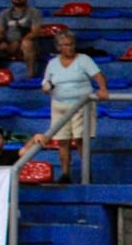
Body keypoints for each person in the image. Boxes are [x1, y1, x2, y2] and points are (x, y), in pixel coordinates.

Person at [40, 30, 108, 184]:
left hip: (80, 104)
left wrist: (102, 89)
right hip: (59, 104)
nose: (68, 48)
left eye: (71, 44)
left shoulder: (84, 59)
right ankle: (65, 174)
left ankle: (86, 174)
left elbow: (98, 75)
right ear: (58, 47)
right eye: (64, 45)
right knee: (62, 140)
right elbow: (46, 82)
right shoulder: (52, 63)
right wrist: (46, 87)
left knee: (79, 139)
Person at [0, 0, 43, 77]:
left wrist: (18, 43)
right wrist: (2, 41)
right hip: (8, 44)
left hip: (27, 43)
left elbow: (36, 32)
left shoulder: (34, 12)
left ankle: (30, 74)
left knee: (27, 44)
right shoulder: (4, 13)